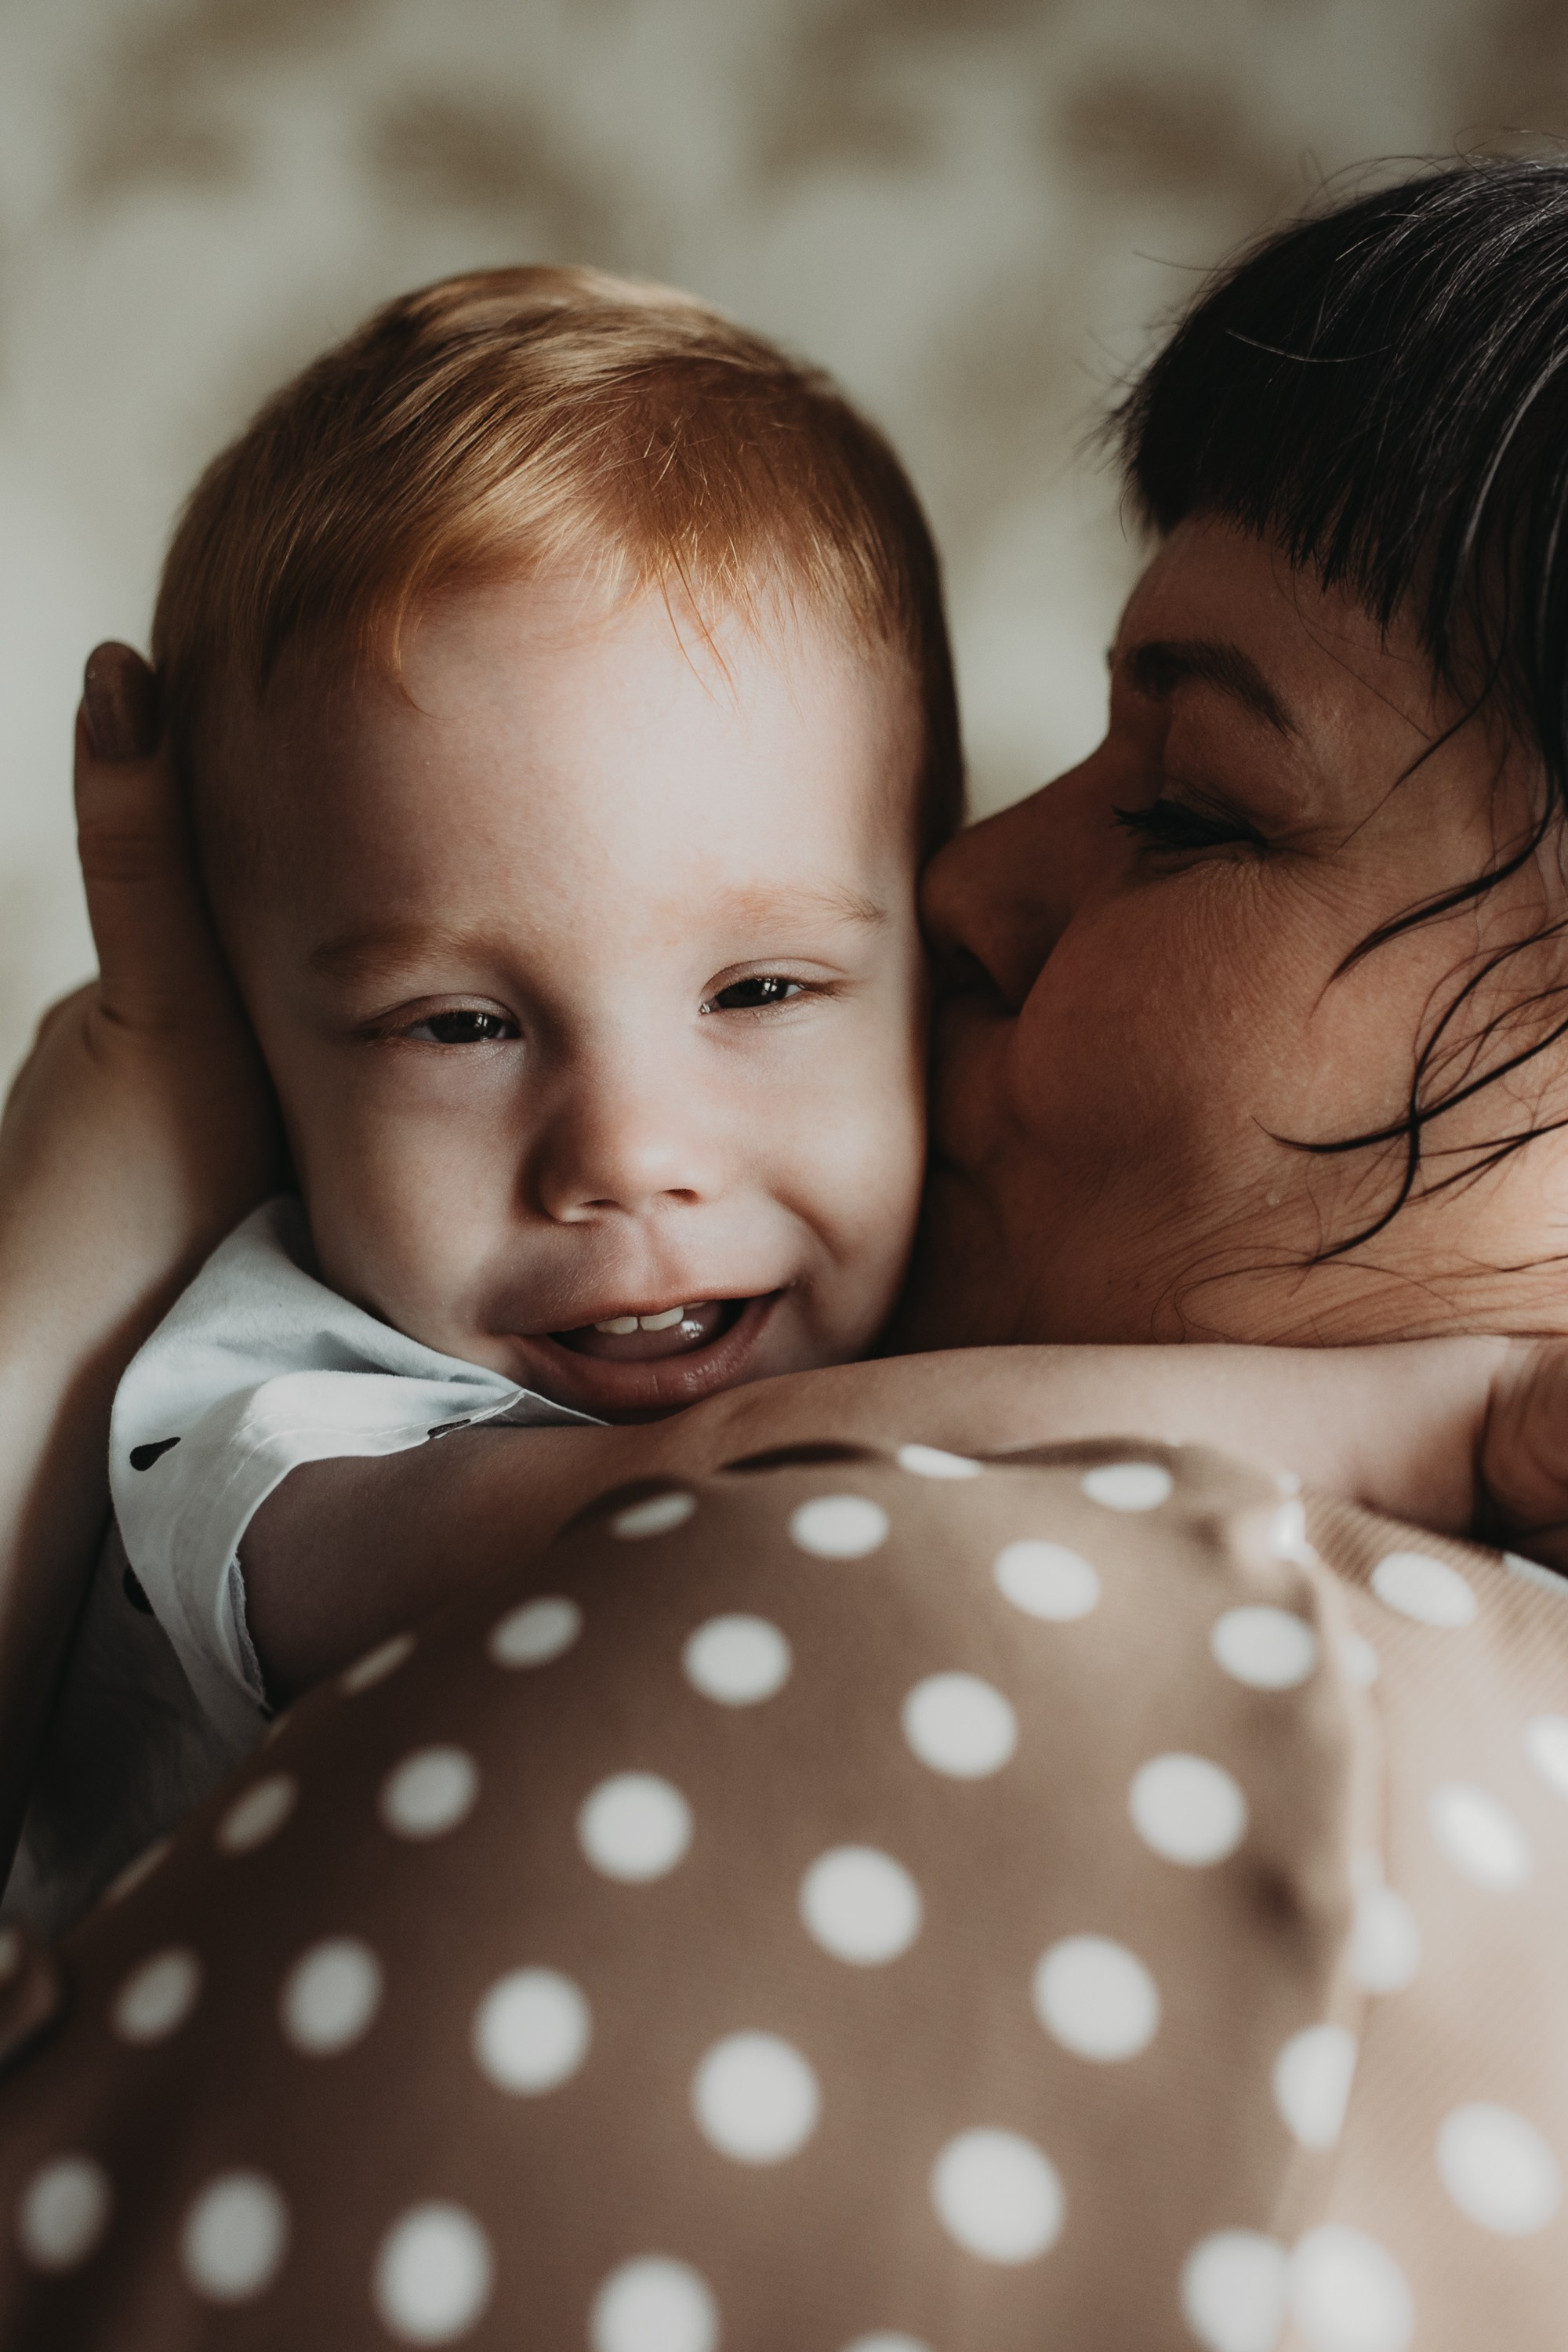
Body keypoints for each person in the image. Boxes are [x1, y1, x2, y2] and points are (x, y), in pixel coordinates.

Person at [3, 155, 1568, 2350]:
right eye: (457, 1024)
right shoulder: (276, 1390)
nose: (635, 1155)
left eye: (762, 992)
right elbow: (640, 1513)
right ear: (274, 1058)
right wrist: (1444, 1411)